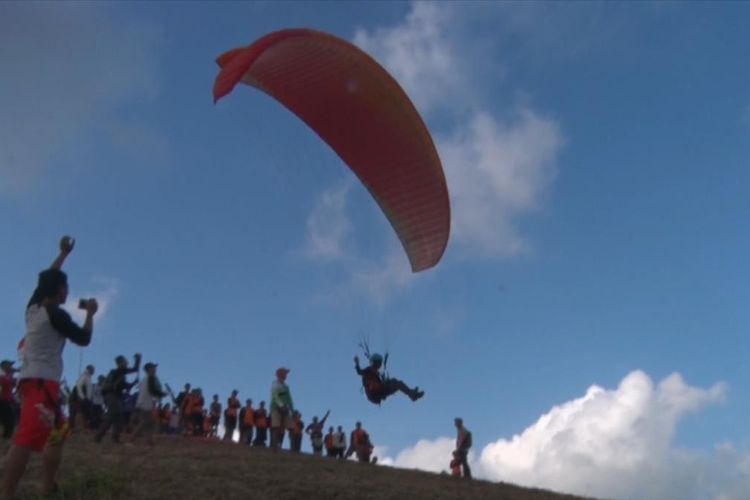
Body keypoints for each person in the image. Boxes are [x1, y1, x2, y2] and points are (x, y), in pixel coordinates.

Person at [2, 235, 97, 498]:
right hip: (43, 384)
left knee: (59, 432)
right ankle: (6, 493)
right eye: (65, 287)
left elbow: (48, 278)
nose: (67, 292)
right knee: (26, 439)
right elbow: (84, 339)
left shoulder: (32, 309)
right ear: (57, 291)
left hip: (34, 381)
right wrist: (90, 314)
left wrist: (63, 254)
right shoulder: (56, 314)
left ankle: (47, 486)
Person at [94, 353, 141, 443]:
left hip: (115, 396)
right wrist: (137, 359)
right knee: (112, 416)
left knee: (118, 417)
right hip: (112, 396)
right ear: (121, 363)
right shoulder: (119, 371)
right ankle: (99, 436)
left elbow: (125, 386)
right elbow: (135, 369)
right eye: (125, 361)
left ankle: (114, 438)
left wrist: (134, 383)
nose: (127, 362)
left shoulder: (119, 373)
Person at [354, 354, 423, 405]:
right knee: (396, 383)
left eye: (379, 365)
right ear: (374, 364)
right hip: (374, 394)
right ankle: (412, 395)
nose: (378, 368)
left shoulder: (376, 373)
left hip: (379, 392)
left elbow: (379, 383)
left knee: (397, 383)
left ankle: (412, 395)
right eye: (377, 365)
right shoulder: (368, 370)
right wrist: (357, 363)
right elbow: (359, 372)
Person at [131, 363, 167, 445]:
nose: (155, 369)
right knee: (145, 422)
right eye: (153, 367)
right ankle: (132, 439)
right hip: (146, 403)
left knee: (151, 422)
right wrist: (162, 394)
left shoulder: (145, 379)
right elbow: (152, 390)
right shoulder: (150, 377)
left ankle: (149, 440)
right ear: (150, 369)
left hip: (143, 402)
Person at [270, 368, 294, 450]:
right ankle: (274, 446)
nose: (286, 375)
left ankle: (293, 448)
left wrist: (292, 409)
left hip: (285, 408)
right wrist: (281, 405)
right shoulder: (275, 384)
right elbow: (275, 396)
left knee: (291, 427)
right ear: (280, 374)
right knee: (276, 426)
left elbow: (289, 398)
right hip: (275, 407)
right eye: (285, 373)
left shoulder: (286, 386)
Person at [70, 365, 94, 430]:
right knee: (76, 412)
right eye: (93, 369)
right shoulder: (85, 376)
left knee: (86, 413)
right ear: (89, 369)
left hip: (85, 398)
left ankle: (84, 427)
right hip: (81, 398)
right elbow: (79, 387)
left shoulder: (88, 377)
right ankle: (71, 428)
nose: (94, 371)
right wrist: (83, 397)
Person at [0, 360, 18, 440]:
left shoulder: (9, 376)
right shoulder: (3, 376)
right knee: (9, 421)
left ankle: (6, 439)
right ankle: (6, 439)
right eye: (9, 365)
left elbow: (15, 383)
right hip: (3, 401)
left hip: (7, 402)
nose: (11, 367)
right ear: (4, 367)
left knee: (10, 422)